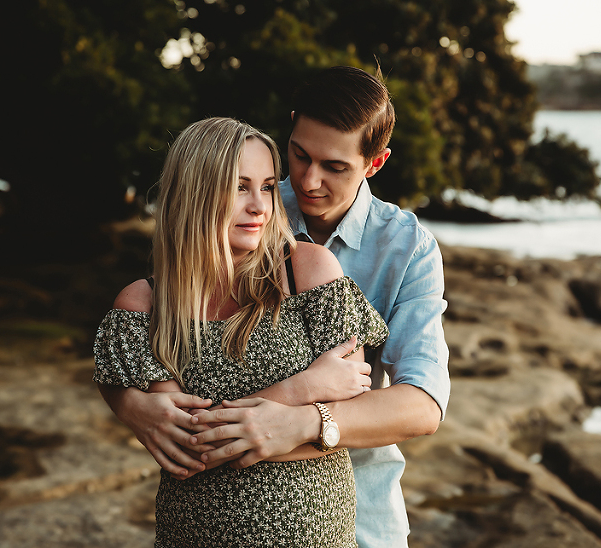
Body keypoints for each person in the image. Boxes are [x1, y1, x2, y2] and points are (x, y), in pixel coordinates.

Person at [99, 66, 450, 548]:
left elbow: (422, 404)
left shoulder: (407, 248)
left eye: (335, 167)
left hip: (357, 514)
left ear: (375, 162)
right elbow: (169, 314)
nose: (307, 181)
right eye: (299, 155)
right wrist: (131, 402)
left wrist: (301, 420)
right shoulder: (247, 201)